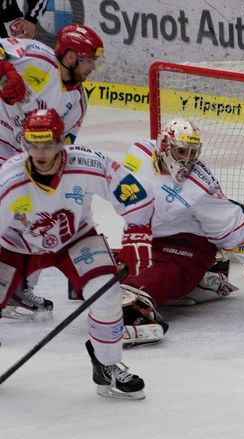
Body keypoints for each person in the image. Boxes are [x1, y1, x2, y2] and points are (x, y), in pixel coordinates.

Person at [115, 118, 244, 346]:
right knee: (100, 278)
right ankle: (203, 281)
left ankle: (143, 309)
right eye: (182, 151)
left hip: (188, 248)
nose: (188, 160)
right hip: (148, 239)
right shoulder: (139, 152)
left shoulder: (200, 185)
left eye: (193, 152)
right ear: (164, 146)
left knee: (140, 285)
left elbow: (228, 222)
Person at [0, 108, 155, 399]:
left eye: (47, 144)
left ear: (61, 142)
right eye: (33, 144)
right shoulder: (9, 180)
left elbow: (134, 193)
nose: (40, 152)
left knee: (107, 296)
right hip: (16, 247)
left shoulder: (88, 163)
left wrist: (137, 233)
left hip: (75, 240)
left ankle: (107, 366)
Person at [0, 23, 104, 319]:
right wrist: (3, 73)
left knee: (32, 217)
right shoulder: (35, 57)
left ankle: (17, 284)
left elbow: (61, 150)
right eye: (88, 60)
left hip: (23, 158)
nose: (92, 68)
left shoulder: (76, 103)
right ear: (70, 57)